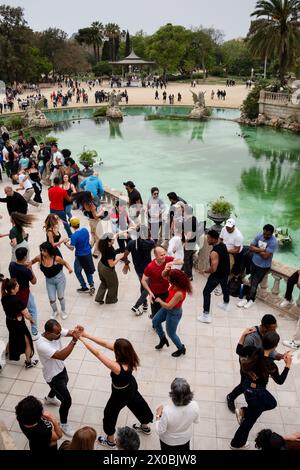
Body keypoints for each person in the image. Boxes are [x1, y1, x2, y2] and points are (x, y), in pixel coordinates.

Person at [78, 331, 153, 448]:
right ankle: (145, 426)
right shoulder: (130, 354)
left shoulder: (117, 367)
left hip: (120, 394)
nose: (112, 347)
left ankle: (110, 441)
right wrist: (85, 334)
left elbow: (97, 353)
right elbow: (105, 344)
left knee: (109, 414)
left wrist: (81, 340)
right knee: (139, 405)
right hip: (131, 386)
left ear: (119, 352)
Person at [230, 330, 292, 450]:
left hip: (246, 386)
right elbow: (280, 381)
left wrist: (243, 334)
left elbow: (238, 351)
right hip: (257, 393)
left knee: (258, 411)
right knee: (250, 421)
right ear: (275, 346)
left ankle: (244, 412)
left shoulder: (252, 350)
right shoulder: (269, 364)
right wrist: (287, 365)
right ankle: (236, 444)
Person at [226, 314, 280, 414]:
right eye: (272, 329)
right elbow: (242, 357)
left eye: (275, 329)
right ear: (263, 327)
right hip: (248, 367)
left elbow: (271, 351)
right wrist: (248, 371)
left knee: (252, 387)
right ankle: (231, 397)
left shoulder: (269, 336)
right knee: (244, 385)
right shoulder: (251, 337)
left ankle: (249, 406)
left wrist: (281, 356)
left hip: (258, 367)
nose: (274, 332)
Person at [36, 320, 81, 438]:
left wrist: (77, 332)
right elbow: (62, 356)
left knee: (65, 382)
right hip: (53, 376)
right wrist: (74, 340)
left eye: (60, 331)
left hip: (61, 370)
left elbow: (70, 332)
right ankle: (64, 424)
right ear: (48, 333)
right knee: (67, 400)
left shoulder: (56, 332)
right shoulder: (42, 345)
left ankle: (50, 398)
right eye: (57, 333)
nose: (60, 334)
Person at [237, 225, 278, 310]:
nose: (265, 236)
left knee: (254, 283)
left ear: (272, 233)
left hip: (263, 266)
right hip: (254, 262)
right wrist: (262, 250)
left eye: (268, 235)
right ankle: (248, 298)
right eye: (264, 233)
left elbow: (266, 256)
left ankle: (250, 299)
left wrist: (256, 249)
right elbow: (251, 247)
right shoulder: (259, 235)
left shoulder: (273, 242)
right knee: (251, 280)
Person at [153, 269, 192, 357]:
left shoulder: (179, 293)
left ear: (175, 280)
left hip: (174, 313)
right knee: (155, 321)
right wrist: (166, 271)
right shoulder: (174, 285)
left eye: (169, 279)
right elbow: (164, 275)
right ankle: (163, 339)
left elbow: (169, 306)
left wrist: (159, 300)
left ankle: (181, 348)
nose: (168, 280)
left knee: (171, 333)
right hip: (166, 308)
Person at [1, 278, 38, 368]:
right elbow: (27, 314)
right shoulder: (17, 300)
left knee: (12, 336)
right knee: (27, 341)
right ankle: (29, 362)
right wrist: (32, 320)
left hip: (9, 321)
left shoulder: (4, 297)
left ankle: (5, 353)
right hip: (18, 324)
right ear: (12, 289)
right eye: (17, 285)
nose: (19, 286)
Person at [31, 242, 73, 320]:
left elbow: (65, 263)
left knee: (60, 297)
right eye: (41, 250)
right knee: (52, 299)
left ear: (49, 251)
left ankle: (63, 311)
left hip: (59, 279)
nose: (42, 252)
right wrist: (26, 265)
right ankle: (55, 311)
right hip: (49, 281)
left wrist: (69, 268)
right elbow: (31, 262)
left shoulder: (56, 258)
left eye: (44, 251)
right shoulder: (39, 257)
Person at [156, 378, 199, 450]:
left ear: (173, 395)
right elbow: (196, 421)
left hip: (168, 441)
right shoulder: (195, 405)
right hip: (185, 439)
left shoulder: (166, 411)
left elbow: (159, 430)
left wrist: (158, 415)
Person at [198, 230, 230, 324]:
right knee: (225, 286)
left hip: (217, 275)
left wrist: (205, 271)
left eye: (208, 238)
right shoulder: (223, 245)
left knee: (206, 292)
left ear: (213, 239)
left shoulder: (214, 252)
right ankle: (226, 304)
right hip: (226, 272)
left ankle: (206, 315)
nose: (207, 240)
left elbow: (213, 269)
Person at [142, 247, 183, 320]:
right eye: (161, 255)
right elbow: (143, 280)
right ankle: (155, 323)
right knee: (155, 312)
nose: (164, 256)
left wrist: (172, 263)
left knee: (165, 310)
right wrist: (149, 292)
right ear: (155, 255)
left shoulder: (167, 259)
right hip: (155, 293)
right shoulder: (150, 267)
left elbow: (181, 261)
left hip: (166, 291)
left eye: (164, 254)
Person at [123, 226, 155, 316]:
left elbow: (125, 256)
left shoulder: (131, 243)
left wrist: (126, 263)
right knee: (148, 288)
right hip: (148, 270)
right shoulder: (150, 243)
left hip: (138, 269)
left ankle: (145, 304)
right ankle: (136, 306)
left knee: (142, 285)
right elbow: (156, 248)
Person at [9, 247, 39, 339]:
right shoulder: (26, 271)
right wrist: (30, 269)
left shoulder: (11, 265)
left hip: (14, 292)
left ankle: (18, 330)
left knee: (18, 311)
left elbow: (17, 265)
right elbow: (34, 281)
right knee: (32, 310)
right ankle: (34, 332)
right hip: (25, 292)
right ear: (25, 257)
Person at [65, 217, 95, 295]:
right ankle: (91, 285)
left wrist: (65, 243)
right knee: (88, 270)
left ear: (71, 225)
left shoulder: (74, 236)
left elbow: (72, 248)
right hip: (88, 253)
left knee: (77, 271)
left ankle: (84, 286)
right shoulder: (85, 230)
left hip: (80, 256)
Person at [72, 191, 106, 258]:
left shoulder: (84, 203)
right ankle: (96, 253)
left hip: (90, 221)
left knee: (93, 236)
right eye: (91, 194)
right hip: (96, 222)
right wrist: (102, 211)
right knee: (99, 237)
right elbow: (96, 216)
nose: (92, 194)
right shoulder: (91, 205)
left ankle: (88, 247)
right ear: (89, 196)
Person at [95, 234, 124, 304]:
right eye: (113, 239)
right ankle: (111, 300)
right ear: (109, 241)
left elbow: (116, 235)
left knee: (104, 282)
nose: (114, 240)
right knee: (114, 284)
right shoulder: (109, 250)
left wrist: (127, 230)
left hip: (101, 265)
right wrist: (119, 257)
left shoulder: (103, 244)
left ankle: (99, 298)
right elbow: (111, 264)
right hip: (107, 269)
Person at [182, 206, 198, 281]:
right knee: (190, 258)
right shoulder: (194, 218)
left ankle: (188, 275)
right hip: (194, 241)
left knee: (186, 259)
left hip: (189, 242)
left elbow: (189, 234)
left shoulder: (188, 221)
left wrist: (185, 243)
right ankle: (188, 272)